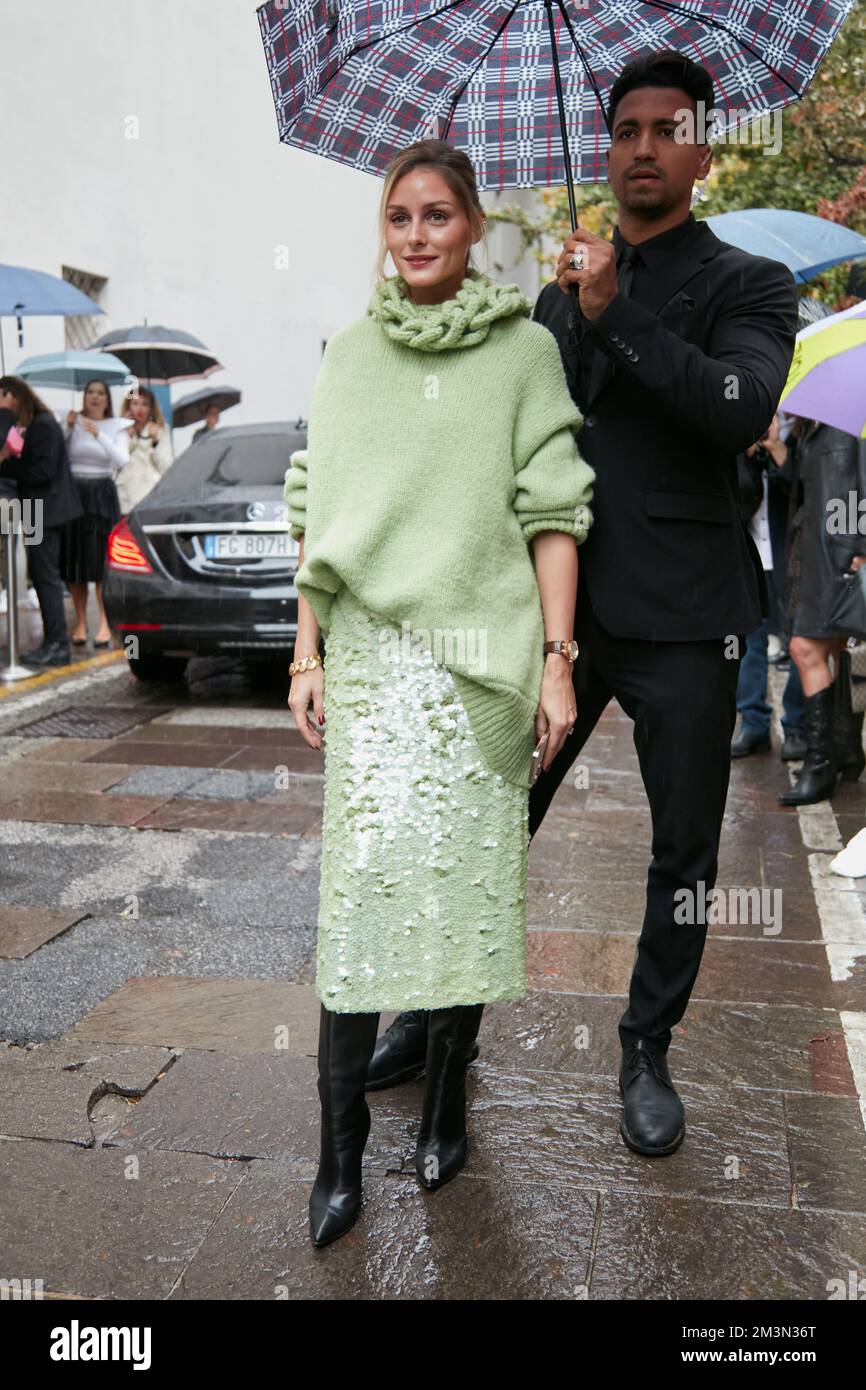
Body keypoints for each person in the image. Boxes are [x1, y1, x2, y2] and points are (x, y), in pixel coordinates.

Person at [367, 50, 800, 1161]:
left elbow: (734, 407)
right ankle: (436, 1017)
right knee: (489, 822)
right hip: (548, 620)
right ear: (603, 147)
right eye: (625, 130)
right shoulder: (556, 289)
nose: (642, 147)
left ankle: (646, 1047)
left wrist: (614, 313)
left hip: (684, 618)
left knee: (684, 856)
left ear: (703, 152)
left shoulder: (747, 282)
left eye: (667, 129)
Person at [285, 137, 595, 1247]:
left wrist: (556, 661)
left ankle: (448, 1097)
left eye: (437, 215)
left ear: (470, 227)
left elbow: (554, 510)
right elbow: (314, 509)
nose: (416, 234)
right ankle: (337, 1158)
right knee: (360, 899)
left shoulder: (524, 355)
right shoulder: (349, 358)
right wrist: (306, 652)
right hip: (372, 664)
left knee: (462, 891)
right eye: (398, 216)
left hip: (481, 661)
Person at [772, 417, 866, 805]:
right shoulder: (815, 426)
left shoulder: (852, 420)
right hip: (812, 551)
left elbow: (861, 482)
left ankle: (820, 765)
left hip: (840, 555)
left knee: (804, 648)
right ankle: (844, 750)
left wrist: (858, 549)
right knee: (832, 647)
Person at [731, 413, 805, 760]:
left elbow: (804, 493)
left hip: (791, 557)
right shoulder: (736, 438)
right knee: (748, 644)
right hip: (749, 556)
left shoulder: (801, 437)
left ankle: (796, 728)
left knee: (800, 644)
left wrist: (776, 448)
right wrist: (745, 451)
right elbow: (735, 494)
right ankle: (754, 725)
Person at [0, 375, 83, 665]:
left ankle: (57, 643)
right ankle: (53, 641)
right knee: (41, 574)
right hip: (37, 509)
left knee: (45, 576)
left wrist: (9, 464)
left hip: (44, 510)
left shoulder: (43, 424)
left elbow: (43, 472)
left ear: (12, 394)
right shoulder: (34, 425)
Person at [59, 378, 130, 649]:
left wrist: (98, 434)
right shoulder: (72, 421)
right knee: (75, 561)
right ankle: (80, 622)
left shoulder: (117, 426)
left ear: (107, 399)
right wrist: (67, 428)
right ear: (84, 396)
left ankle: (103, 621)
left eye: (101, 393)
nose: (95, 397)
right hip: (74, 492)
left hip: (101, 493)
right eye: (90, 392)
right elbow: (60, 455)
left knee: (100, 561)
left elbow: (122, 460)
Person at [116, 388, 172, 513]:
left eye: (144, 404)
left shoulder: (160, 429)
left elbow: (166, 466)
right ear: (128, 406)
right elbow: (115, 465)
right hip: (127, 497)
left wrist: (155, 442)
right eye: (135, 403)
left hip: (151, 495)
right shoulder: (120, 430)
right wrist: (128, 438)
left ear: (151, 408)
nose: (140, 409)